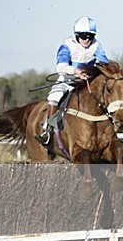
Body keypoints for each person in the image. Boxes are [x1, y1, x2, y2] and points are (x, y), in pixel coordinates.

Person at [36, 16, 109, 146]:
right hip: (67, 81)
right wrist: (76, 71)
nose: (87, 39)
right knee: (54, 97)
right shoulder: (66, 45)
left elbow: (104, 64)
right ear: (76, 35)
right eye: (83, 36)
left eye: (90, 36)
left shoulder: (96, 46)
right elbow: (60, 67)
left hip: (87, 82)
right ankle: (48, 131)